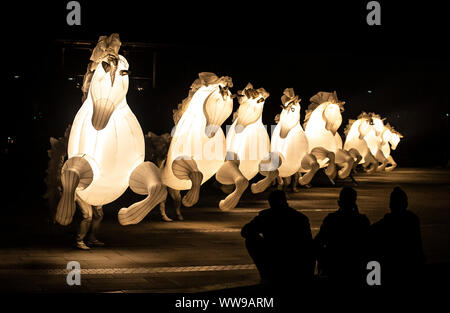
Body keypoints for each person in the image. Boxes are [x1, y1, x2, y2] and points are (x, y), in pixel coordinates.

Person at [241, 190, 315, 288]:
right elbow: (309, 243)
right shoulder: (300, 217)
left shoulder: (266, 216)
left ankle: (266, 273)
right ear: (285, 201)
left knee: (250, 240)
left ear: (270, 203)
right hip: (296, 260)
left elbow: (246, 231)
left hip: (273, 256)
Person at [314, 187, 370, 287]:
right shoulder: (362, 220)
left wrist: (323, 262)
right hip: (356, 267)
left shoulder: (331, 220)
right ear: (354, 202)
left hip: (334, 267)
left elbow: (318, 243)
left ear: (339, 202)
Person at [371, 187, 425, 287]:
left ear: (391, 205)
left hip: (392, 263)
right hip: (409, 262)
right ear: (405, 204)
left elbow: (372, 230)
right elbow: (418, 243)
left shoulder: (388, 220)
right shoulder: (412, 219)